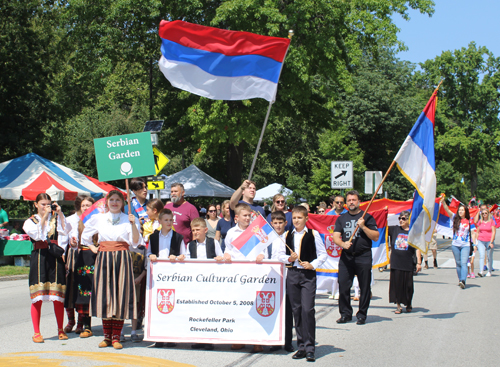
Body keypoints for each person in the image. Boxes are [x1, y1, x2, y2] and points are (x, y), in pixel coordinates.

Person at [81, 190, 142, 349]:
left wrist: (133, 224)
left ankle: (116, 337)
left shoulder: (128, 218)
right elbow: (85, 236)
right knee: (105, 296)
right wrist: (92, 247)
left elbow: (135, 242)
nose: (115, 203)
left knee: (119, 296)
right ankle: (107, 337)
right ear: (107, 202)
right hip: (104, 257)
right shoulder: (99, 218)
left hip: (122, 257)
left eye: (118, 200)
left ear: (123, 203)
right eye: (112, 200)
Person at [23, 193, 69, 343]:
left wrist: (60, 212)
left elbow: (66, 230)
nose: (46, 207)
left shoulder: (56, 218)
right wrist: (44, 216)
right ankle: (36, 332)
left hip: (54, 256)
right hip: (39, 257)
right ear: (36, 204)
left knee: (58, 297)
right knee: (38, 297)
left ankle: (60, 329)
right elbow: (37, 235)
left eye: (48, 204)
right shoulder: (30, 221)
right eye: (43, 204)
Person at [284, 206, 327, 361]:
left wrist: (313, 264)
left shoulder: (313, 234)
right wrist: (289, 259)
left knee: (307, 309)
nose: (296, 221)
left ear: (306, 219)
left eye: (299, 218)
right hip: (293, 274)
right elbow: (280, 255)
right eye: (294, 218)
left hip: (307, 275)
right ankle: (301, 345)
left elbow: (323, 254)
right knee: (297, 309)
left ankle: (310, 347)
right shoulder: (287, 234)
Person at [223, 203, 266, 353]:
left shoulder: (256, 231)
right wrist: (226, 254)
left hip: (254, 275)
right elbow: (227, 249)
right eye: (245, 216)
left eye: (249, 216)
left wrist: (262, 255)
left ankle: (256, 341)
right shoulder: (231, 233)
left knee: (254, 308)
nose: (248, 218)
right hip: (237, 276)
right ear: (237, 217)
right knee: (239, 308)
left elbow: (264, 248)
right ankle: (239, 338)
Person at [333, 190, 379, 325]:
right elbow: (336, 236)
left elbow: (375, 236)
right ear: (346, 203)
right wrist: (342, 243)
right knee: (343, 286)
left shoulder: (367, 217)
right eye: (349, 200)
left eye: (354, 200)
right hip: (346, 257)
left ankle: (362, 315)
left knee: (364, 287)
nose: (351, 202)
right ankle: (345, 314)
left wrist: (363, 226)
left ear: (359, 201)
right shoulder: (341, 218)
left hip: (363, 256)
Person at [147, 208, 185, 348]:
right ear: (160, 221)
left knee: (171, 303)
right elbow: (149, 252)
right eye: (166, 220)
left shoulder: (178, 237)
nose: (169, 222)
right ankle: (158, 335)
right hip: (157, 276)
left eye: (171, 220)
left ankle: (171, 335)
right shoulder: (153, 237)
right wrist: (150, 255)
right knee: (158, 304)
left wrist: (179, 257)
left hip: (172, 275)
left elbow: (184, 255)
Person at [63, 196, 95, 337]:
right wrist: (73, 245)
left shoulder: (98, 220)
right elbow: (64, 239)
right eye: (83, 205)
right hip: (75, 256)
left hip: (93, 256)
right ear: (79, 207)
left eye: (89, 205)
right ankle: (72, 321)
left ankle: (84, 323)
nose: (86, 208)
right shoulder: (73, 220)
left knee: (88, 290)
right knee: (72, 289)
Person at [268, 211, 295, 353]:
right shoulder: (267, 239)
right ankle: (275, 341)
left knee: (287, 311)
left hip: (287, 276)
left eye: (280, 223)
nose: (278, 225)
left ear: (285, 223)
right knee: (274, 311)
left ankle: (288, 341)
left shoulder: (289, 237)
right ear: (271, 224)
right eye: (275, 223)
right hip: (271, 277)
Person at [388, 211, 422, 314]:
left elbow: (417, 248)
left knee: (408, 285)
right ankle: (398, 305)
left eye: (404, 218)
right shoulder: (395, 229)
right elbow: (382, 226)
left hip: (408, 262)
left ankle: (408, 303)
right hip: (396, 262)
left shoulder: (413, 231)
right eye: (400, 218)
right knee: (396, 284)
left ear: (409, 220)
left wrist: (419, 263)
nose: (401, 220)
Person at [441, 198, 472, 289]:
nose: (461, 211)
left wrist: (475, 245)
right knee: (458, 263)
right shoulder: (455, 218)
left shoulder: (469, 221)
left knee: (463, 263)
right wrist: (443, 202)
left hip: (465, 245)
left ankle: (463, 280)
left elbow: (473, 233)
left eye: (462, 210)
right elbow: (447, 210)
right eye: (460, 210)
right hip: (455, 245)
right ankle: (460, 280)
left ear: (466, 211)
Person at [475, 206, 496, 277]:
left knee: (489, 256)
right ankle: (481, 271)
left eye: (485, 213)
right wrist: (476, 241)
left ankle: (489, 271)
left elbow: (493, 232)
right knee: (482, 255)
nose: (484, 214)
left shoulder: (491, 222)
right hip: (481, 240)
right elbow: (477, 232)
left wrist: (491, 242)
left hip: (489, 241)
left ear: (488, 214)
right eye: (483, 213)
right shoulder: (480, 221)